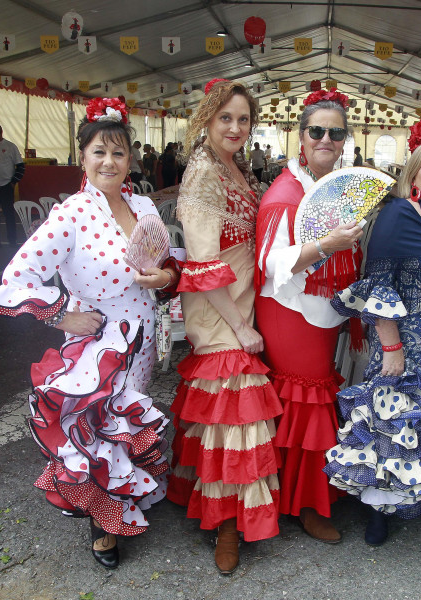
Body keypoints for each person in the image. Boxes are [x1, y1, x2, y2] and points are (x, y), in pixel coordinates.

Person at [0, 97, 180, 570]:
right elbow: (16, 278)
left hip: (143, 339)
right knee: (98, 435)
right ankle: (104, 524)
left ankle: (130, 498)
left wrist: (166, 279)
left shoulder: (142, 203)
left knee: (130, 427)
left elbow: (167, 261)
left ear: (130, 159)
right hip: (100, 343)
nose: (109, 161)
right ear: (83, 158)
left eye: (118, 152)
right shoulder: (70, 214)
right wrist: (61, 316)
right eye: (99, 152)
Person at [325, 122, 421, 546]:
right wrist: (392, 346)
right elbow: (377, 282)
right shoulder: (398, 214)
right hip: (406, 347)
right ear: (414, 174)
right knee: (391, 427)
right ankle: (378, 509)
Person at [166, 79, 282, 575]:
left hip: (241, 301)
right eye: (225, 119)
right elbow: (201, 261)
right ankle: (227, 523)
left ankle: (229, 510)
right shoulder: (202, 173)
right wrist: (239, 327)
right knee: (233, 410)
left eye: (243, 119)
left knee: (230, 415)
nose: (236, 127)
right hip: (220, 310)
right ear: (206, 121)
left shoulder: (232, 167)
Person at [254, 88, 363, 544]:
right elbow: (270, 262)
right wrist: (327, 246)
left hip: (323, 308)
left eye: (335, 134)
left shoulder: (328, 188)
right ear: (300, 137)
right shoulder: (284, 194)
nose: (326, 140)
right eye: (317, 131)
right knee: (305, 398)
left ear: (345, 142)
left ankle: (288, 496)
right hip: (290, 309)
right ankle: (300, 503)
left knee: (309, 398)